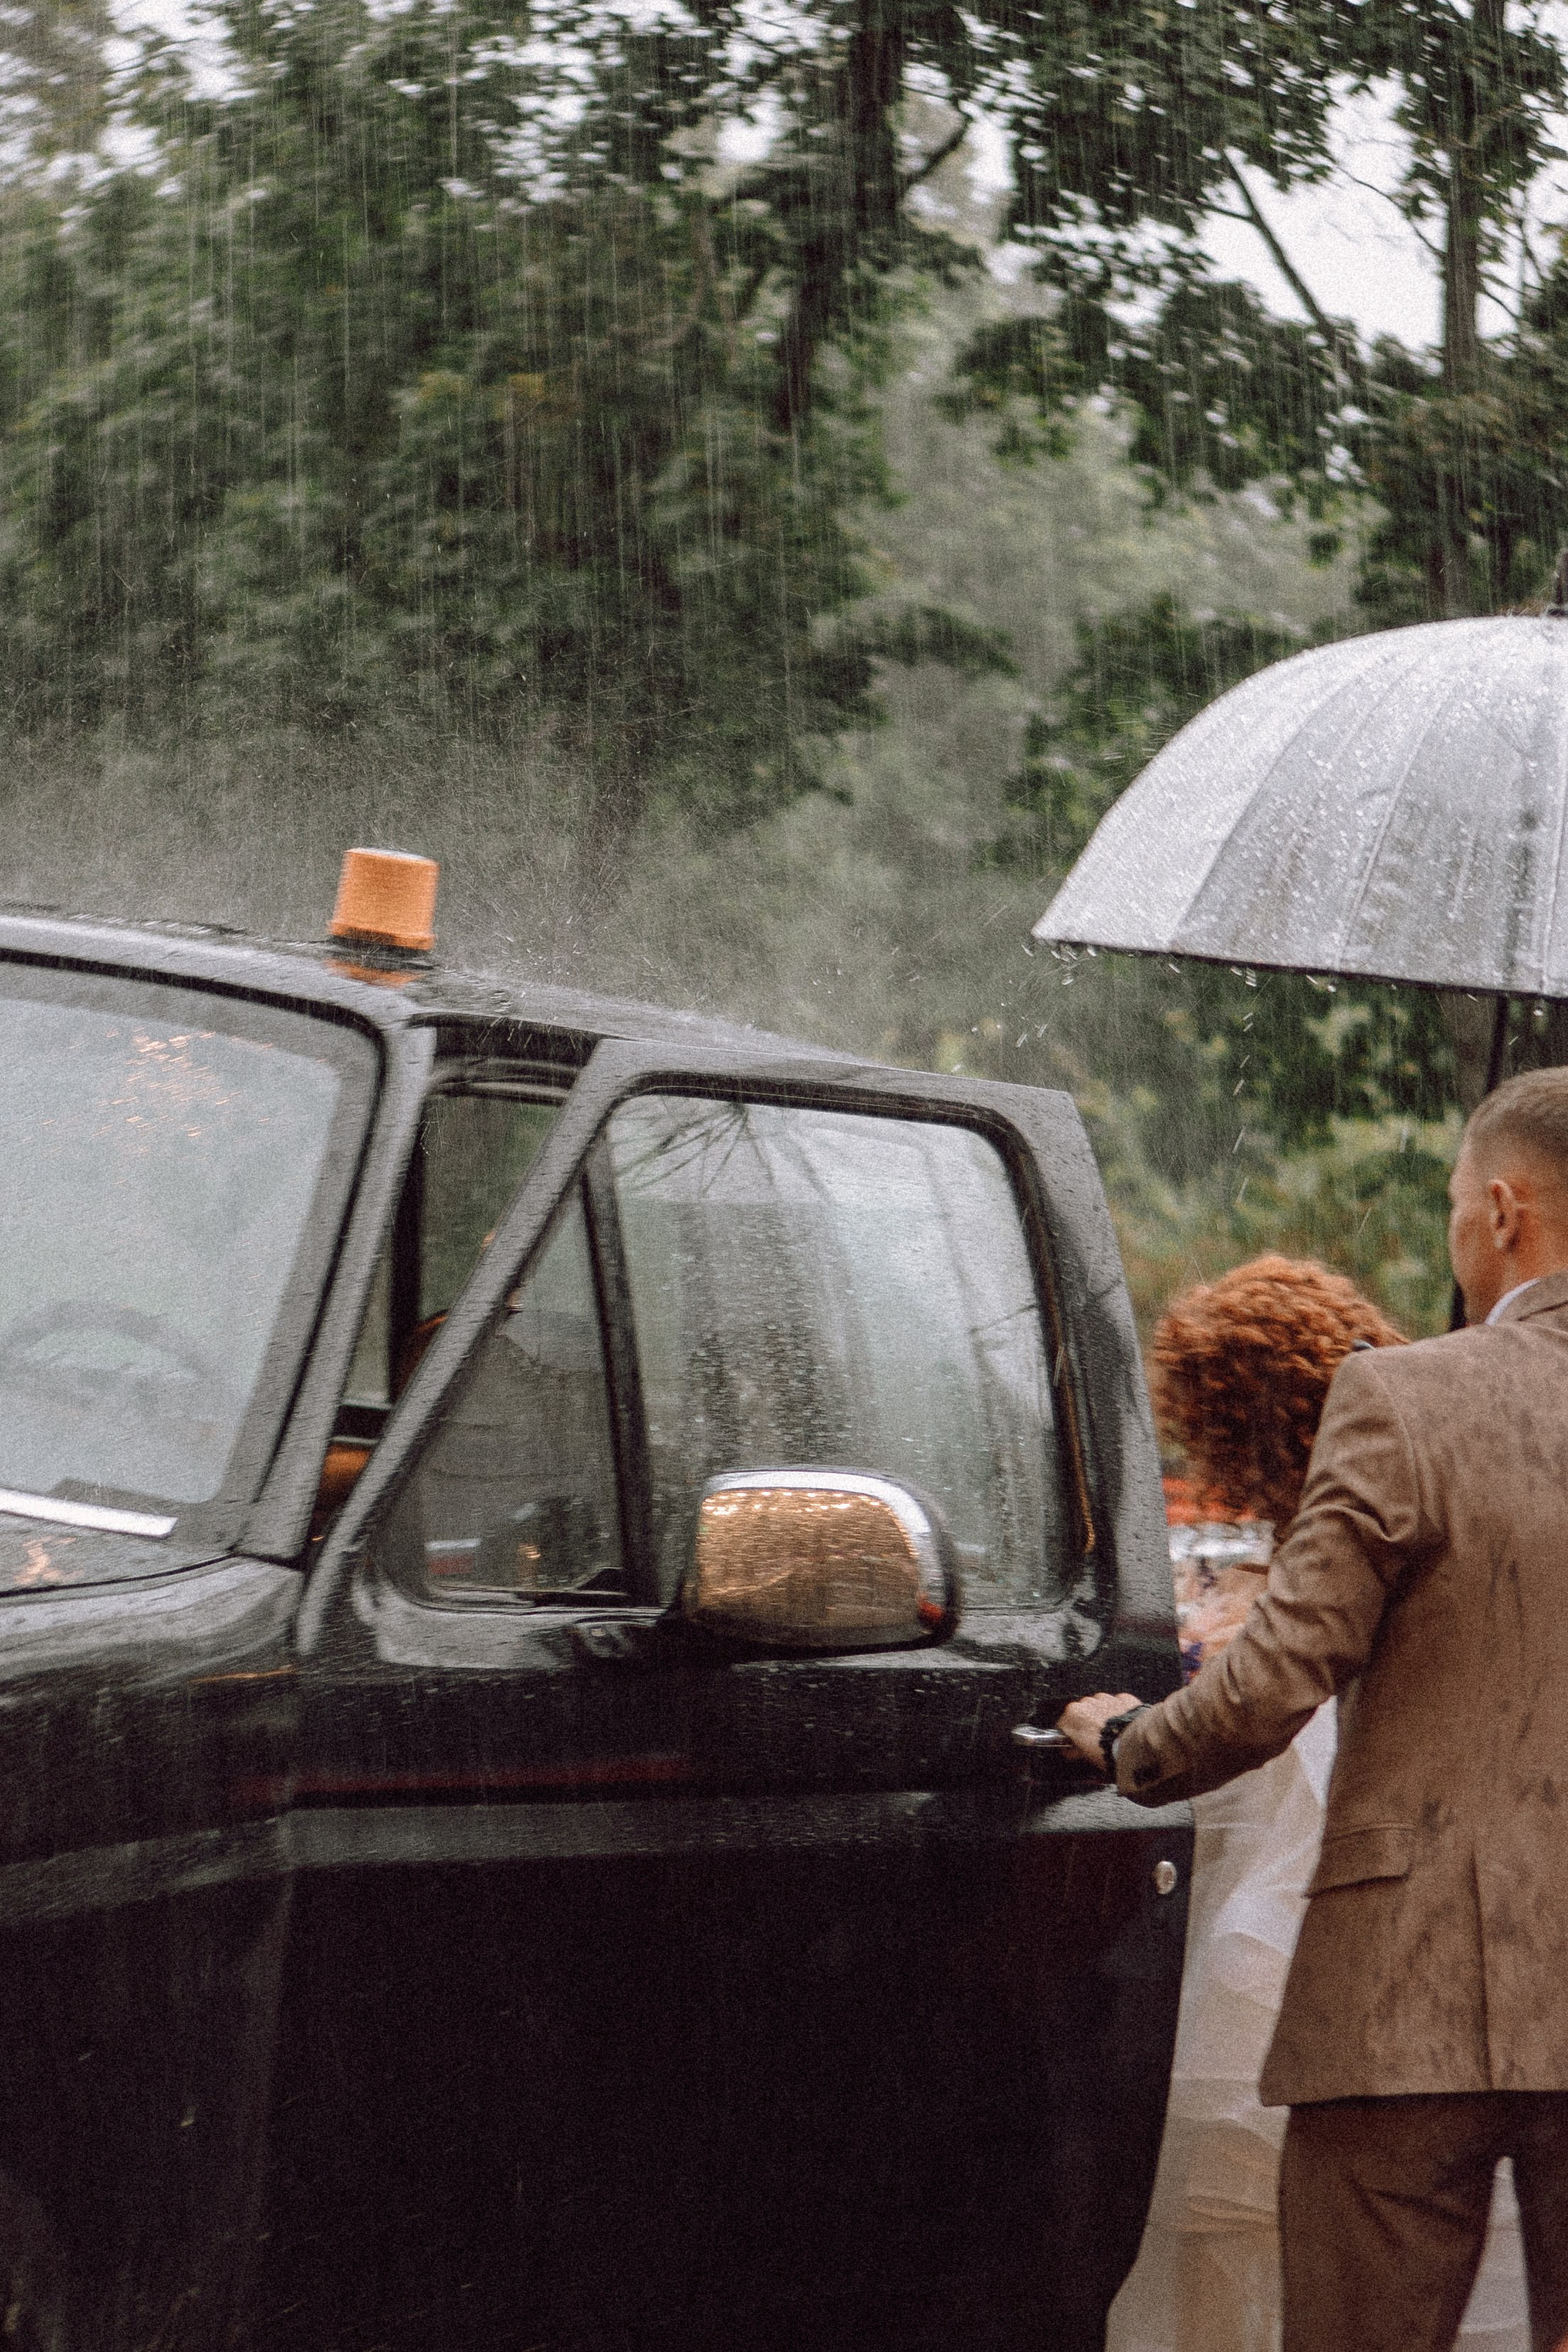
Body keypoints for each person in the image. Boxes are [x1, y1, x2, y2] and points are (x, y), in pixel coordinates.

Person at [1062, 1066, 1568, 2351]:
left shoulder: (1408, 1395)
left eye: (1456, 1202)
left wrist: (1129, 1741)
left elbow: (1275, 1680)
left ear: (1502, 1208)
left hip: (1412, 2000)